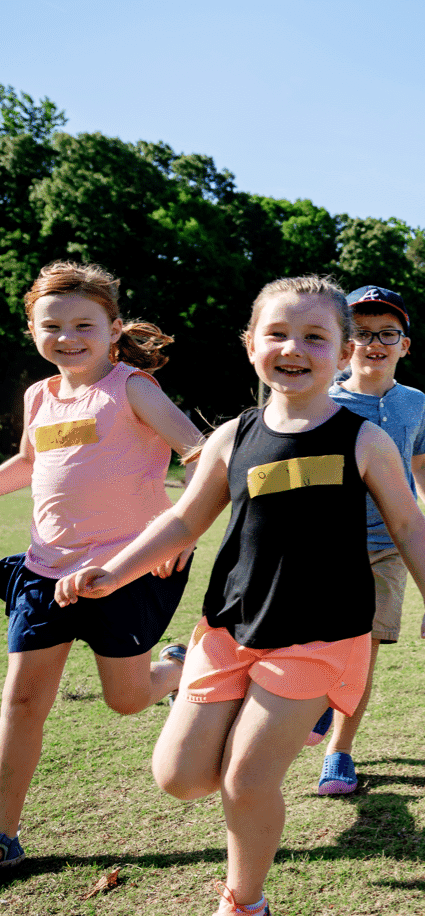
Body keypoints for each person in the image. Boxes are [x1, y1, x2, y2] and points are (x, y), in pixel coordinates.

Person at [56, 276, 425, 916]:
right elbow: (185, 521)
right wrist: (114, 570)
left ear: (342, 350)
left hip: (322, 632)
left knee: (247, 781)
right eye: (277, 333)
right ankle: (224, 694)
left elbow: (408, 523)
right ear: (251, 345)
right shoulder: (231, 437)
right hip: (230, 629)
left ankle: (243, 901)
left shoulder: (364, 439)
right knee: (181, 778)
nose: (293, 348)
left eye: (314, 336)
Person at [0, 261, 203, 869]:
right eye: (52, 325)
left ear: (113, 328)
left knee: (128, 701)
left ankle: (178, 669)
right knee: (22, 701)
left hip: (126, 571)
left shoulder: (132, 387)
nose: (68, 337)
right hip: (44, 572)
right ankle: (4, 834)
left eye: (84, 324)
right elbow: (29, 464)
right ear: (33, 329)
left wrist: (181, 535)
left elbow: (199, 453)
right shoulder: (39, 395)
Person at [309, 284, 425, 794]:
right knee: (316, 644)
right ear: (341, 341)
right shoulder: (320, 397)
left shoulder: (415, 403)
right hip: (324, 547)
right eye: (359, 332)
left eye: (387, 333)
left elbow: (420, 463)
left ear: (405, 345)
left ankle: (340, 752)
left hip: (389, 545)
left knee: (364, 650)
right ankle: (316, 706)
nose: (373, 343)